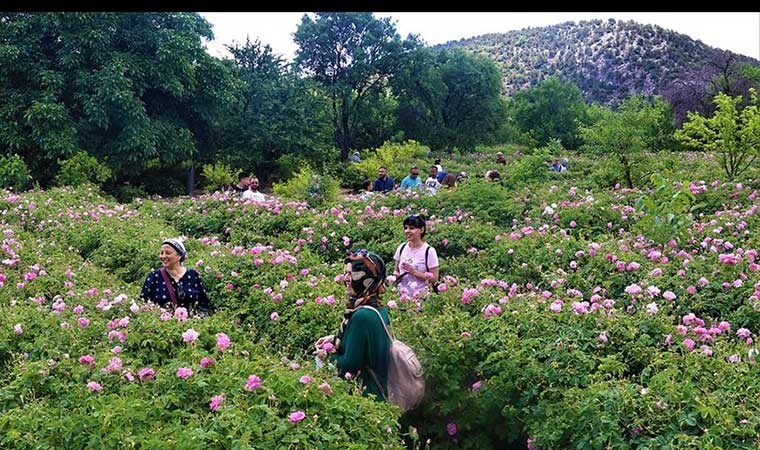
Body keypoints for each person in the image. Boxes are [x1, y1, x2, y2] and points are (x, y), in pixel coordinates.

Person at [314, 249, 391, 401]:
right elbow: (364, 344)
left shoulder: (362, 316)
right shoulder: (377, 308)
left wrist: (326, 356)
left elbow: (349, 364)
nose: (345, 279)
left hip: (366, 396)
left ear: (367, 278)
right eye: (345, 273)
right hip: (381, 389)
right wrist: (334, 338)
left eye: (351, 274)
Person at [140, 238, 210, 314]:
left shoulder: (193, 275)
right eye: (161, 253)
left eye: (168, 253)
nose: (163, 256)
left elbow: (204, 305)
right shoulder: (154, 276)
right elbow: (143, 304)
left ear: (179, 256)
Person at [393, 214, 439, 300]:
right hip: (402, 298)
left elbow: (434, 278)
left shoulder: (429, 251)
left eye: (411, 228)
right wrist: (396, 276)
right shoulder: (401, 248)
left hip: (422, 298)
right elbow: (396, 270)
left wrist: (414, 272)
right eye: (406, 228)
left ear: (421, 230)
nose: (407, 231)